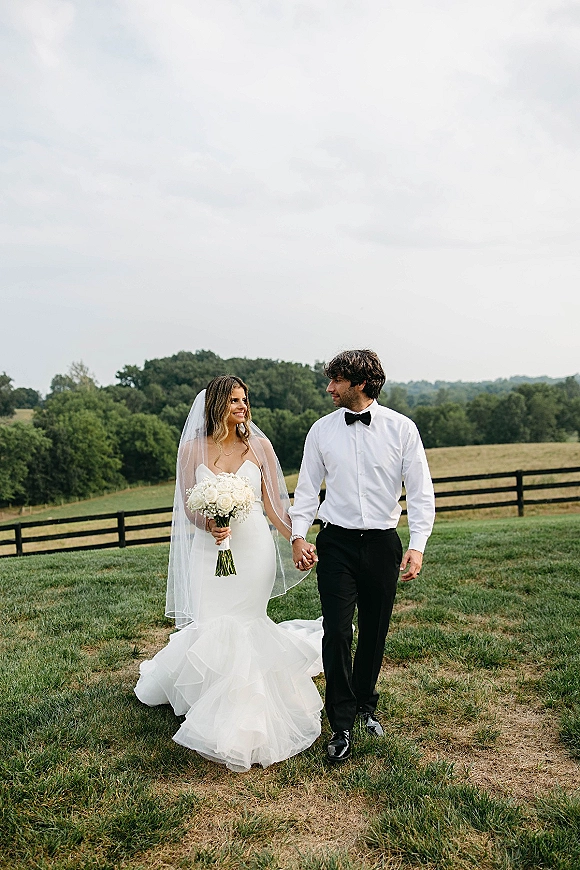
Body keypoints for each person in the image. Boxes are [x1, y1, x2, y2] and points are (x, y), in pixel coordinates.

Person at [134, 375, 323, 772]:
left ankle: (242, 707)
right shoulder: (191, 449)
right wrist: (208, 524)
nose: (243, 407)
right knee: (212, 620)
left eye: (245, 399)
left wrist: (297, 539)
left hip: (253, 549)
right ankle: (210, 695)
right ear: (217, 405)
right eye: (235, 400)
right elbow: (188, 505)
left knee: (246, 622)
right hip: (209, 551)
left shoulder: (260, 446)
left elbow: (274, 505)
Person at [289, 350, 435, 763]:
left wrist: (417, 545)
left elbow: (421, 493)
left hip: (382, 545)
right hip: (335, 543)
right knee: (336, 631)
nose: (329, 388)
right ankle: (341, 724)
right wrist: (299, 537)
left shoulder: (402, 429)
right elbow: (306, 490)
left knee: (374, 630)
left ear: (361, 383)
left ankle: (367, 707)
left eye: (336, 380)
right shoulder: (320, 431)